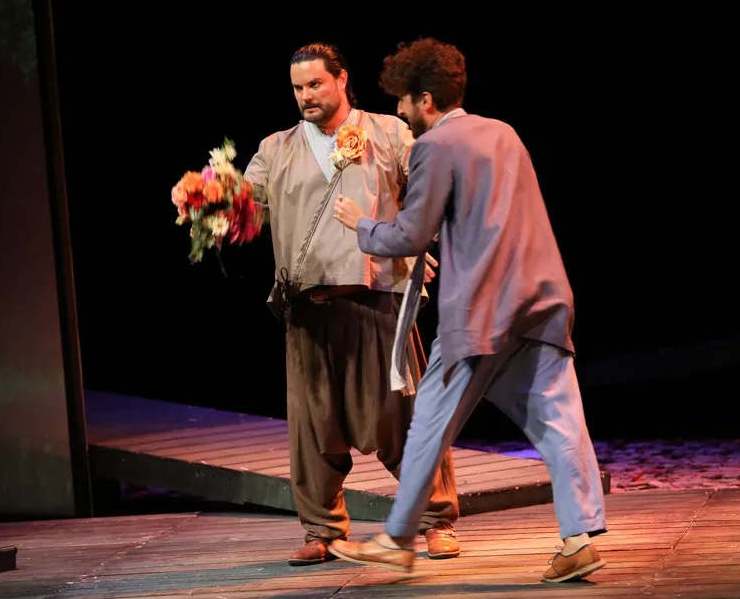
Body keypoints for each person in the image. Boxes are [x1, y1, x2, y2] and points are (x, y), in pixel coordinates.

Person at [329, 37, 608, 583]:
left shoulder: (436, 146)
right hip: (541, 297)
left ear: (426, 99)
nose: (400, 112)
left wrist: (359, 224)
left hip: (482, 309)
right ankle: (578, 538)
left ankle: (397, 538)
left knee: (430, 423)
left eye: (404, 101)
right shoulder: (504, 132)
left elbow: (410, 235)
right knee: (559, 422)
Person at [240, 42, 460, 567]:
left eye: (315, 84)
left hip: (374, 299)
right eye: (298, 88)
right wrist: (212, 203)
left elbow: (432, 190)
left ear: (341, 80)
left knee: (400, 417)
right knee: (313, 427)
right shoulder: (275, 148)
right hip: (307, 307)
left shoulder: (388, 132)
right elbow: (245, 208)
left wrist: (419, 243)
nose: (306, 96)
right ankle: (321, 529)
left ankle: (435, 520)